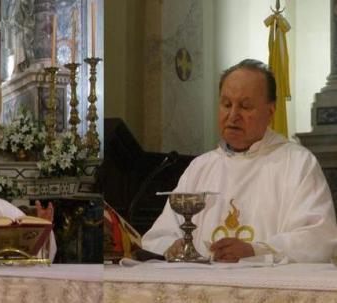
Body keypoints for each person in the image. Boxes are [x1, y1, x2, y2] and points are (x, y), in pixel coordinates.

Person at [142, 59, 337, 263]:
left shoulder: (297, 163)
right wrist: (172, 247)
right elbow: (157, 237)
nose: (233, 115)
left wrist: (255, 251)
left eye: (245, 106)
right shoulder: (201, 167)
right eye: (226, 104)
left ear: (270, 112)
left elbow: (320, 238)